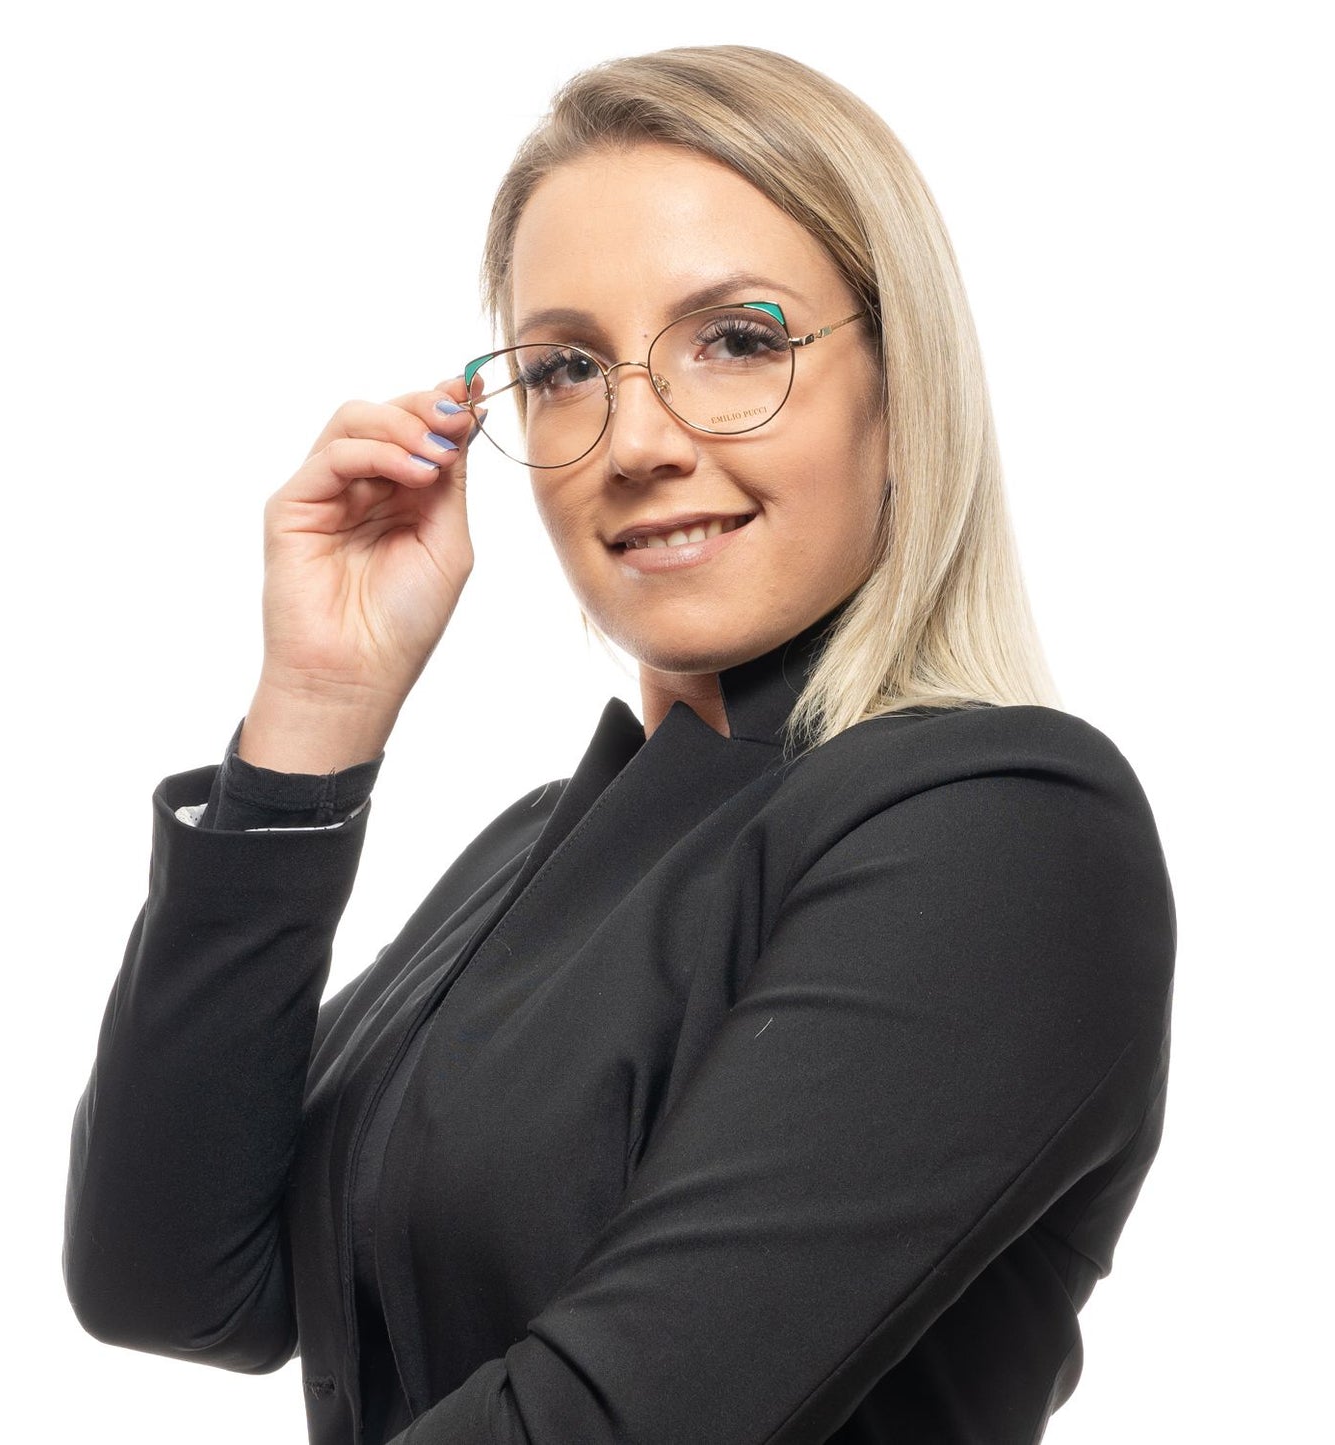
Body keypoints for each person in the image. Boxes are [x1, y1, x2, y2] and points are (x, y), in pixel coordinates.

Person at [64, 45, 1175, 1445]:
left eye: (739, 339)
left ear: (902, 391)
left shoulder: (998, 827)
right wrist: (311, 719)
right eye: (567, 366)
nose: (636, 437)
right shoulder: (536, 852)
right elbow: (169, 1281)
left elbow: (613, 1421)